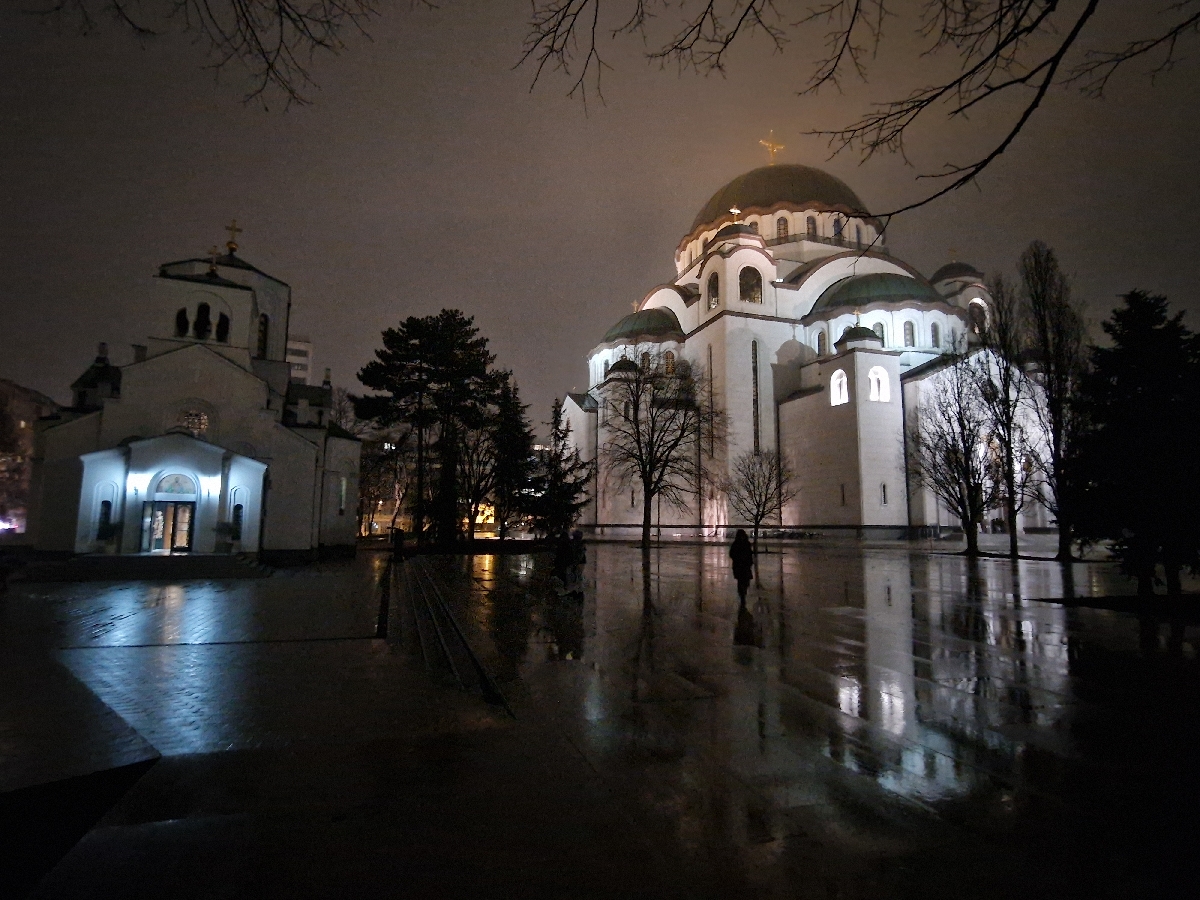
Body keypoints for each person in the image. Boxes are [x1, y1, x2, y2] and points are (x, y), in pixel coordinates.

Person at [729, 529, 753, 602]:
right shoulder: (738, 544)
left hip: (743, 565)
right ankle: (742, 595)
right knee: (742, 581)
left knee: (745, 581)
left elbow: (749, 554)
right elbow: (732, 554)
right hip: (740, 565)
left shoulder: (745, 543)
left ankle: (743, 593)